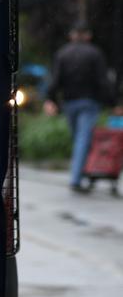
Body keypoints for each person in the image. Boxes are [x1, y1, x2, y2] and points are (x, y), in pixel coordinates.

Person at [44, 26, 114, 192]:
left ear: (72, 35)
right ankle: (78, 177)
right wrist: (112, 103)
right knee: (83, 139)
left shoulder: (63, 53)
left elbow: (55, 80)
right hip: (89, 102)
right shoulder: (95, 53)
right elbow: (102, 81)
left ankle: (81, 174)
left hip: (70, 103)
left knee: (79, 138)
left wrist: (50, 98)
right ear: (88, 35)